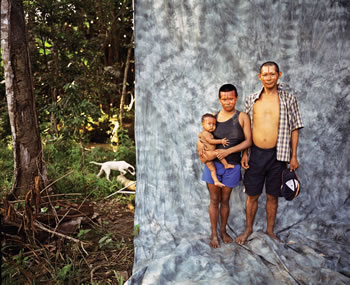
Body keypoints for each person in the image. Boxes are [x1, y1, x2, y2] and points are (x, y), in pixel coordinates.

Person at [235, 61, 304, 245]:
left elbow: (295, 128)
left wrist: (294, 156)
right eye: (265, 74)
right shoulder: (251, 99)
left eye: (272, 74)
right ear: (260, 77)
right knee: (252, 195)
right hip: (255, 154)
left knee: (273, 195)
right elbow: (245, 128)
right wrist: (244, 153)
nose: (269, 77)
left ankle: (270, 231)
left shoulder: (289, 99)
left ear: (279, 75)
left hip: (278, 154)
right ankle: (248, 229)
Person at [197, 84, 252, 248]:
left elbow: (248, 141)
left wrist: (233, 152)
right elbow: (202, 138)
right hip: (213, 164)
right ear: (219, 99)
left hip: (232, 165)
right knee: (214, 200)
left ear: (236, 98)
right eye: (224, 99)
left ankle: (223, 231)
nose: (228, 102)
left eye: (231, 98)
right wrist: (201, 150)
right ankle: (214, 234)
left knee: (225, 200)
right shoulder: (212, 118)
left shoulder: (242, 117)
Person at [198, 113, 235, 188]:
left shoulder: (203, 132)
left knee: (213, 170)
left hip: (206, 157)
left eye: (214, 124)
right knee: (218, 152)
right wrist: (221, 141)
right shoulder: (205, 133)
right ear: (202, 124)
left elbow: (199, 136)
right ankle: (226, 165)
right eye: (209, 124)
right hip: (207, 154)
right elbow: (210, 141)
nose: (212, 126)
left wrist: (214, 116)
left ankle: (216, 181)